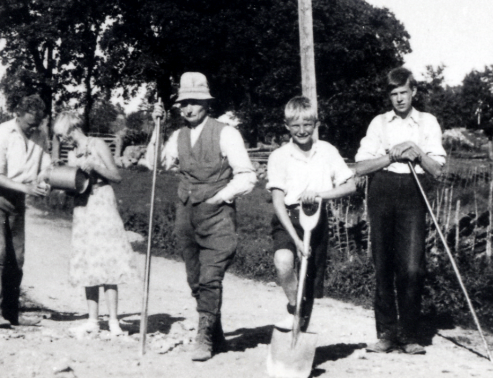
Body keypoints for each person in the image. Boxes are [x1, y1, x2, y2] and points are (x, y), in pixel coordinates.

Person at [152, 72, 257, 361]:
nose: (188, 108)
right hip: (186, 214)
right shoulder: (177, 136)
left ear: (206, 103)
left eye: (194, 102)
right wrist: (156, 128)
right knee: (195, 278)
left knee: (211, 276)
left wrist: (219, 197)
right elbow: (154, 164)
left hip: (218, 214)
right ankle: (217, 332)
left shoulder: (225, 133)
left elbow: (247, 176)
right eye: (183, 103)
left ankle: (205, 336)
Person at [352, 67, 446, 355]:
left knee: (412, 266)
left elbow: (438, 170)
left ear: (414, 91)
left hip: (413, 191)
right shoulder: (378, 123)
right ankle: (386, 334)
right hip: (382, 190)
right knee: (383, 265)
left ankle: (410, 334)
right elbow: (360, 167)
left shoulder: (427, 122)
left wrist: (416, 150)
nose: (399, 99)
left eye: (403, 92)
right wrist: (391, 154)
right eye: (393, 94)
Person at [266, 96, 356, 332]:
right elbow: (277, 201)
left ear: (316, 124)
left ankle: (300, 330)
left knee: (308, 279)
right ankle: (294, 309)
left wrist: (320, 195)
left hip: (316, 219)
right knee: (283, 262)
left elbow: (350, 185)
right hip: (288, 218)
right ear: (287, 127)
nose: (302, 130)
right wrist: (295, 240)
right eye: (295, 125)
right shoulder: (279, 156)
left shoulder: (326, 151)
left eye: (307, 124)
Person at [53, 110, 140, 338]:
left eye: (62, 135)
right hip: (82, 206)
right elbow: (76, 182)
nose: (62, 140)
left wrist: (96, 167)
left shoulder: (97, 144)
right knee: (88, 259)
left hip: (102, 201)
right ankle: (92, 319)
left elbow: (116, 176)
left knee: (108, 258)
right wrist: (62, 186)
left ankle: (113, 321)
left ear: (72, 128)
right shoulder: (72, 153)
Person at [0, 95, 52, 328]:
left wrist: (44, 181)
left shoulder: (40, 134)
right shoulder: (1, 134)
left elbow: (45, 165)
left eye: (37, 123)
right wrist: (26, 188)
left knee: (16, 257)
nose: (33, 127)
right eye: (30, 122)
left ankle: (10, 314)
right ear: (17, 115)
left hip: (18, 197)